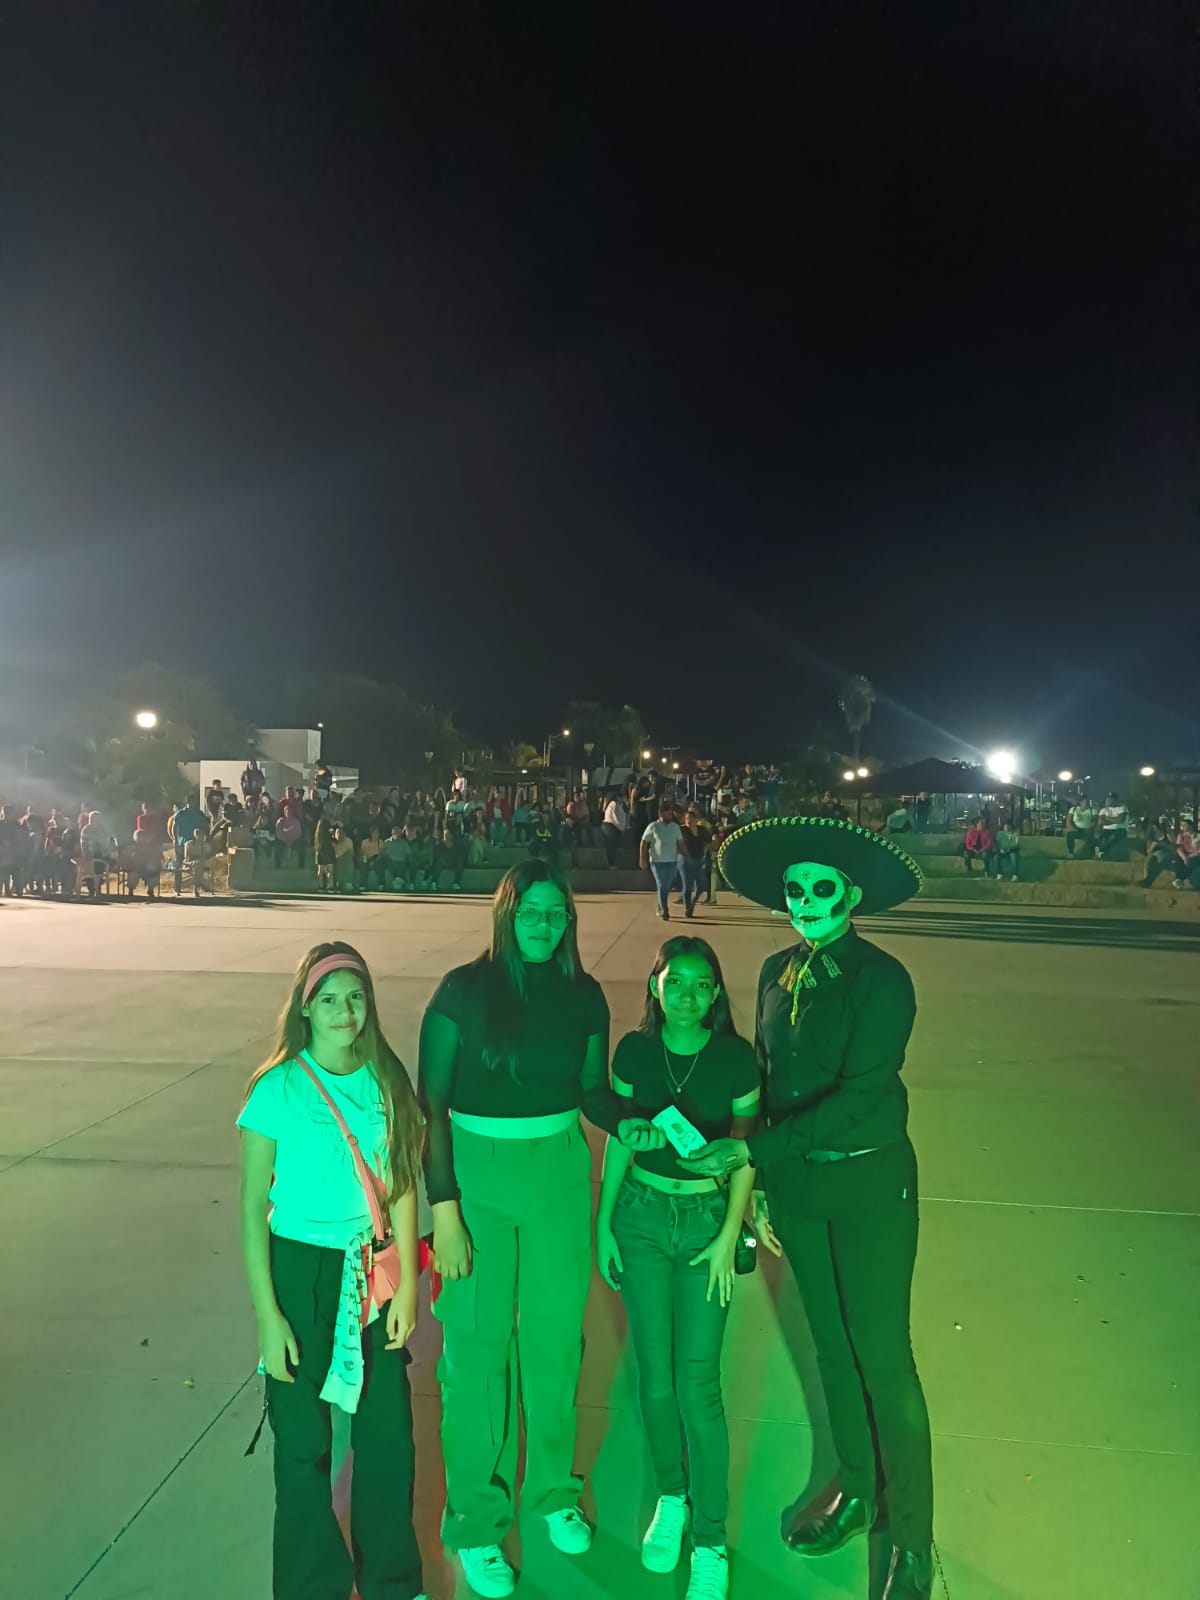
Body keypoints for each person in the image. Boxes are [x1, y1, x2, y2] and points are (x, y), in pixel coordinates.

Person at [681, 818, 936, 1600]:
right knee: (831, 1346)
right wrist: (762, 1186)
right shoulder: (775, 971)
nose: (804, 900)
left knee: (884, 1359)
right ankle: (858, 1488)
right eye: (794, 888)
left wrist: (752, 1155)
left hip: (868, 1185)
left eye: (821, 887)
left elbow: (858, 1101)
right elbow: (766, 1079)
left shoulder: (882, 980)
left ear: (850, 895)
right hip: (800, 1190)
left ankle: (913, 1543)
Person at [418, 862, 664, 1599]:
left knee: (555, 1343)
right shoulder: (462, 990)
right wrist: (444, 1208)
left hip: (557, 1168)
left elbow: (590, 1091)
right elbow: (431, 1105)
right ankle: (476, 1522)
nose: (544, 924)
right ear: (506, 912)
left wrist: (629, 1123)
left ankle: (554, 1492)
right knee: (476, 1348)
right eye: (531, 910)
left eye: (557, 913)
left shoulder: (583, 995)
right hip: (477, 1171)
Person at [237, 943, 429, 1600]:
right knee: (301, 1445)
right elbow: (251, 1208)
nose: (344, 1012)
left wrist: (408, 1286)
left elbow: (402, 1182)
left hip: (370, 1270)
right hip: (298, 1271)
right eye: (328, 999)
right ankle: (309, 1585)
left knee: (387, 1437)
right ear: (304, 1007)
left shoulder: (386, 1080)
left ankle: (391, 1581)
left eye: (355, 997)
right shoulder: (276, 1088)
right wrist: (269, 1318)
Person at [595, 938, 760, 1600]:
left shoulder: (737, 1059)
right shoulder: (634, 1053)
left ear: (715, 993)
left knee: (698, 1385)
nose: (688, 994)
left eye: (701, 984)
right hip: (639, 1219)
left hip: (704, 1223)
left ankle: (710, 1540)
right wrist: (604, 1223)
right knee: (655, 1378)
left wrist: (728, 1235)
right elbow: (621, 1140)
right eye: (676, 982)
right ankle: (673, 1497)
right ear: (655, 986)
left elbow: (745, 1154)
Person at [642, 802, 686, 920]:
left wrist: (684, 855)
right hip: (657, 862)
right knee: (661, 884)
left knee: (667, 886)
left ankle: (660, 905)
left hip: (672, 861)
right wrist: (642, 859)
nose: (670, 816)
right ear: (661, 814)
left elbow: (680, 843)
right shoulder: (653, 826)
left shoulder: (675, 827)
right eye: (667, 814)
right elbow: (644, 843)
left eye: (671, 814)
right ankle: (665, 910)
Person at [677, 804, 711, 917]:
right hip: (684, 860)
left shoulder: (702, 830)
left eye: (690, 818)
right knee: (687, 886)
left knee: (702, 885)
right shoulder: (682, 830)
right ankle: (687, 909)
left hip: (698, 860)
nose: (688, 821)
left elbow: (709, 841)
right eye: (686, 818)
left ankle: (692, 902)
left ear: (695, 820)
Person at [167, 797, 206, 896]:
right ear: (187, 802)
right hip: (181, 842)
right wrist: (175, 839)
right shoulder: (180, 813)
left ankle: (196, 888)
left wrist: (204, 838)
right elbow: (174, 827)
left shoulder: (199, 814)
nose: (193, 804)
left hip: (196, 844)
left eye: (194, 802)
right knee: (178, 865)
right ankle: (177, 888)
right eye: (191, 802)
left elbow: (205, 826)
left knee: (197, 865)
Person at [131, 803, 165, 899]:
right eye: (146, 808)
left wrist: (152, 840)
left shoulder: (155, 819)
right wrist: (144, 839)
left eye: (150, 808)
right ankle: (131, 889)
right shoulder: (140, 818)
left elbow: (157, 831)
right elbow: (140, 830)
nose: (148, 810)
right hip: (142, 843)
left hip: (152, 845)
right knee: (135, 868)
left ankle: (151, 889)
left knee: (153, 868)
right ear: (143, 809)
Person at [1097, 792, 1129, 860]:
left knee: (1114, 837)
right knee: (1101, 836)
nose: (1108, 801)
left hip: (1120, 830)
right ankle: (1102, 854)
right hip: (1106, 830)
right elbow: (1101, 822)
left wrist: (1107, 818)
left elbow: (1120, 820)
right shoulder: (1103, 810)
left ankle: (1101, 850)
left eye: (1110, 799)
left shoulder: (1122, 808)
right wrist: (1115, 819)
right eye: (1107, 799)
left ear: (1116, 800)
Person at [601, 789, 628, 869]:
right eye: (622, 797)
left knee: (612, 846)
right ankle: (611, 864)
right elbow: (616, 817)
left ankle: (612, 863)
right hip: (610, 826)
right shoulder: (614, 804)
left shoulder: (617, 804)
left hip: (612, 826)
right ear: (618, 797)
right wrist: (621, 827)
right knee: (611, 846)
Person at [1171, 818, 1200, 889]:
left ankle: (1180, 879)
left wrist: (1192, 856)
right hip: (1185, 855)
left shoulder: (1198, 835)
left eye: (1184, 825)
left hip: (1196, 855)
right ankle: (1178, 879)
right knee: (1179, 860)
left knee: (1192, 862)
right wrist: (1184, 858)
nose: (1182, 827)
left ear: (1190, 826)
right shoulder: (1180, 836)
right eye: (1182, 825)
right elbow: (1179, 848)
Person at [314, 814, 337, 893]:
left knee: (321, 870)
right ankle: (330, 886)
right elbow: (334, 841)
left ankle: (321, 886)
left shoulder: (317, 834)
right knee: (329, 870)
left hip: (320, 850)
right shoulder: (328, 832)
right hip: (328, 850)